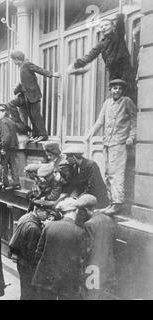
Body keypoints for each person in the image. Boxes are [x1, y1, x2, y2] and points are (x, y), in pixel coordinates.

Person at [86, 79, 137, 215]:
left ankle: (118, 203)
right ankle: (111, 202)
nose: (117, 91)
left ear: (123, 91)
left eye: (120, 88)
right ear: (110, 90)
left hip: (119, 143)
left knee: (116, 173)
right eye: (114, 88)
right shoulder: (107, 103)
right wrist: (90, 134)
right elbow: (99, 121)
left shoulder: (126, 102)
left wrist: (131, 137)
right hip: (107, 143)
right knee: (108, 173)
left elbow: (134, 120)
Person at [32, 198, 86, 300]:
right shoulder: (80, 232)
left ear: (61, 213)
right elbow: (81, 260)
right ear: (76, 211)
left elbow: (38, 252)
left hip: (46, 277)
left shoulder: (49, 227)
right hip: (67, 281)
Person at [71, 14, 135, 100]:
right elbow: (90, 55)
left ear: (113, 27)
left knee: (127, 97)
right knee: (116, 98)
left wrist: (120, 17)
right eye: (101, 26)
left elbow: (120, 28)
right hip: (113, 73)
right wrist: (76, 64)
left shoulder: (117, 36)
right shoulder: (102, 43)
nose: (104, 27)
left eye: (106, 25)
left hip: (125, 71)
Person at [10, 50, 61, 142]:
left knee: (36, 115)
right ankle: (36, 134)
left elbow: (38, 69)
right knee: (32, 116)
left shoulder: (26, 64)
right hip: (28, 96)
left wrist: (52, 74)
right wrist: (16, 90)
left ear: (17, 59)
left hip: (34, 95)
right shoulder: (22, 66)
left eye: (14, 60)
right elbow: (23, 83)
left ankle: (43, 134)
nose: (14, 62)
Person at [79, 194, 117, 300]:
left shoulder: (89, 224)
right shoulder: (109, 219)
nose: (79, 213)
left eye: (80, 210)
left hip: (92, 270)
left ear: (86, 210)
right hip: (108, 268)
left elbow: (87, 251)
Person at [8, 204, 47, 300]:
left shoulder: (26, 217)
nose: (47, 215)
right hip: (28, 265)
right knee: (29, 294)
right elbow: (32, 253)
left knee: (25, 290)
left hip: (21, 261)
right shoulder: (34, 228)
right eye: (46, 212)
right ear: (38, 211)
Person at [63, 145, 109, 209]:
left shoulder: (91, 165)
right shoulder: (75, 167)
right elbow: (76, 185)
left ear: (74, 157)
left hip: (97, 198)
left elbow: (92, 187)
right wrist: (72, 197)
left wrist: (78, 199)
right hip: (85, 196)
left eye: (68, 157)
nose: (66, 159)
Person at [0, 104, 21, 190]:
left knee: (3, 165)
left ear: (3, 112)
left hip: (6, 148)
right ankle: (16, 183)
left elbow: (6, 136)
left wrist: (3, 147)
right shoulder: (11, 121)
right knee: (13, 165)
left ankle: (5, 183)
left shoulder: (2, 122)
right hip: (12, 147)